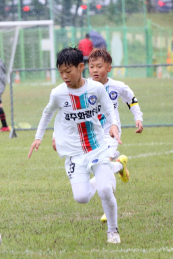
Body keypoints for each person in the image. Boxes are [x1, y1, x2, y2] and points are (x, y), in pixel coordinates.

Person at [28, 47, 121, 244]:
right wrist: (38, 137)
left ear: (80, 67)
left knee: (105, 190)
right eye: (60, 72)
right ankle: (116, 166)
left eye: (68, 71)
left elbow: (109, 108)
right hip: (73, 152)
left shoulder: (96, 89)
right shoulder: (58, 94)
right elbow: (47, 114)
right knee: (81, 198)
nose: (64, 76)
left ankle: (113, 231)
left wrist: (113, 125)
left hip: (96, 147)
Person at [53, 48, 145, 224]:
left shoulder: (117, 86)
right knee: (105, 167)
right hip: (90, 136)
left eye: (99, 66)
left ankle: (107, 209)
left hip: (110, 134)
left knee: (103, 165)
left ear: (109, 68)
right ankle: (119, 165)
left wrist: (138, 117)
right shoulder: (83, 87)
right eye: (91, 66)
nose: (95, 70)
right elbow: (66, 112)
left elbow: (131, 99)